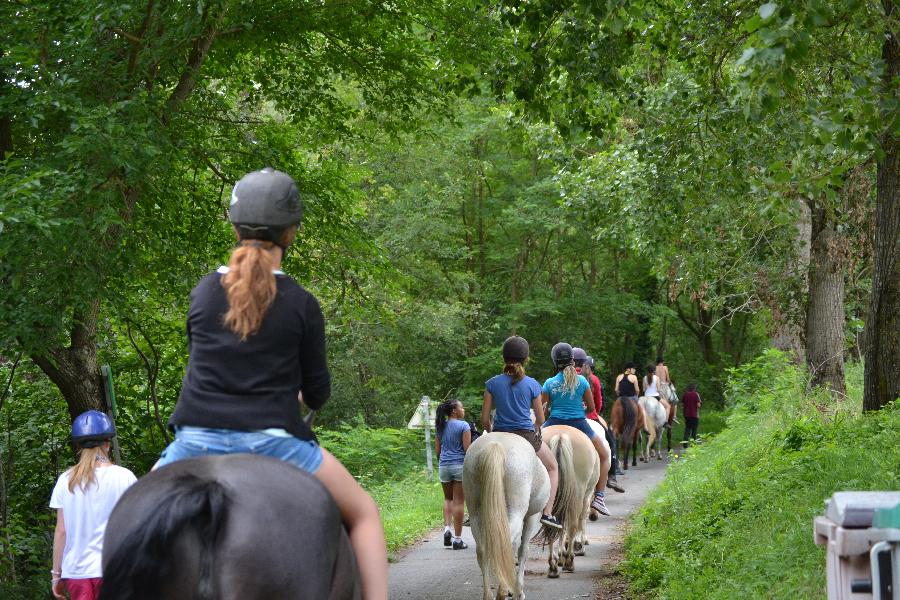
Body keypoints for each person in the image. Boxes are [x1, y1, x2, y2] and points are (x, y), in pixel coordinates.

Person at [154, 168, 388, 600]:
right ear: (291, 233)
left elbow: (204, 367)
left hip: (193, 444)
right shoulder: (300, 301)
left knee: (127, 514)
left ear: (234, 225)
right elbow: (317, 393)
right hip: (274, 444)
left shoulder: (203, 292)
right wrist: (294, 394)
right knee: (365, 515)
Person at [50, 411, 137, 600]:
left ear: (79, 446)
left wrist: (56, 575)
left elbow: (61, 531)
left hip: (76, 572)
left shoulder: (66, 480)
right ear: (107, 443)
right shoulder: (125, 477)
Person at [481, 335, 562, 529]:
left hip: (498, 433)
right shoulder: (533, 384)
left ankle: (474, 511)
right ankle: (548, 513)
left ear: (504, 358)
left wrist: (491, 431)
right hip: (525, 435)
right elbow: (541, 420)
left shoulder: (492, 383)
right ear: (525, 359)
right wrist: (534, 427)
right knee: (552, 467)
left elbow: (484, 419)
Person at [541, 342, 612, 516]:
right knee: (604, 456)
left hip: (552, 422)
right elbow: (591, 408)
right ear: (572, 361)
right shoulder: (582, 381)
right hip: (580, 423)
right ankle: (599, 497)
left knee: (529, 449)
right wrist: (580, 410)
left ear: (554, 361)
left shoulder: (549, 383)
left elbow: (542, 409)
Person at [579, 354, 624, 493]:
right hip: (591, 417)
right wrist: (594, 413)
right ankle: (612, 475)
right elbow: (598, 403)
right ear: (592, 368)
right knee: (610, 442)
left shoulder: (570, 377)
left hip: (571, 416)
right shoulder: (595, 380)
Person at [435, 399, 471, 550]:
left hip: (444, 466)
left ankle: (447, 529)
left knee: (448, 498)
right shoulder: (464, 425)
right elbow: (467, 450)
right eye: (462, 407)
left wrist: (443, 461)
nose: (464, 409)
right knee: (458, 502)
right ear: (455, 410)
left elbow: (438, 450)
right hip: (459, 466)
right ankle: (457, 540)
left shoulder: (440, 426)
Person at [643, 364, 671, 429]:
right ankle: (666, 423)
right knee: (668, 406)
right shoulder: (657, 378)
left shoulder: (644, 378)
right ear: (654, 371)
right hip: (655, 397)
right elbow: (658, 389)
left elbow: (644, 389)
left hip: (646, 398)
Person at [656, 358, 678, 425]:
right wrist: (670, 382)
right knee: (675, 399)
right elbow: (668, 378)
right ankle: (674, 416)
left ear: (657, 362)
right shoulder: (665, 367)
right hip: (665, 386)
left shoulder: (655, 368)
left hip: (657, 386)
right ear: (663, 362)